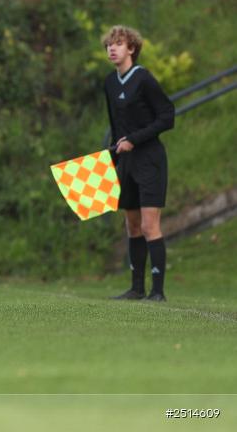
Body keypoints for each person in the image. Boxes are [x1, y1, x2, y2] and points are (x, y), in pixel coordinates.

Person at [103, 25, 175, 302]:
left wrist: (134, 139)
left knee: (148, 225)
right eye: (110, 44)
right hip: (126, 162)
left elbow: (167, 116)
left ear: (131, 48)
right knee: (131, 226)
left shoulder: (144, 79)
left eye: (118, 43)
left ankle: (157, 292)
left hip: (150, 160)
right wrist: (112, 154)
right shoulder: (109, 83)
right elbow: (115, 124)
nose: (112, 48)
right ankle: (136, 289)